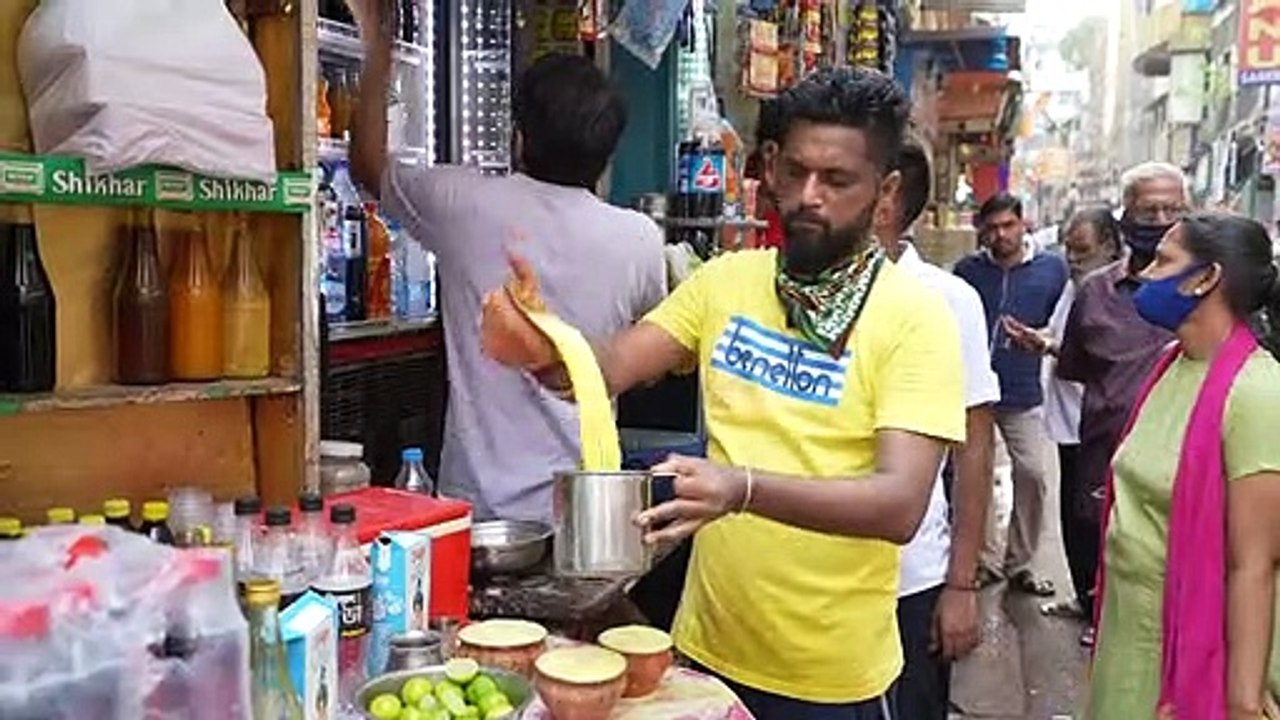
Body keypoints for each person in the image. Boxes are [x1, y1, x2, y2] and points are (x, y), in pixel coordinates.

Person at [483, 67, 965, 719]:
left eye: (837, 180)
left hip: (829, 680)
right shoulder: (727, 282)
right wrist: (542, 338)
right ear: (770, 165)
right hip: (706, 653)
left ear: (885, 192)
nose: (809, 196)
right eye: (795, 171)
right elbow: (603, 370)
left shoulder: (916, 316)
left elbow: (899, 504)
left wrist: (741, 489)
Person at [347, 7, 667, 523]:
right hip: (583, 513)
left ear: (519, 136)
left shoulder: (463, 204)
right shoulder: (640, 240)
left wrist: (379, 46)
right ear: (608, 152)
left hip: (478, 510)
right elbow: (650, 357)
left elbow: (366, 163)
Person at [1089, 212, 1280, 719]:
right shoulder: (1171, 366)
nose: (1145, 275)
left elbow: (1254, 564)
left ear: (1205, 278)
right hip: (1127, 635)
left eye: (1163, 261)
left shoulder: (1258, 394)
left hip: (1189, 652)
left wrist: (1242, 702)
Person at [877, 138, 1000, 719]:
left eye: (836, 179)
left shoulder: (949, 301)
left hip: (909, 580)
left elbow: (973, 449)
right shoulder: (797, 291)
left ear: (886, 199)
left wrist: (961, 585)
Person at [1056, 163, 1186, 608]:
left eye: (1173, 210)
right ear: (1125, 216)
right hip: (1106, 455)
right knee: (1107, 564)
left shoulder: (1208, 289)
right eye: (1149, 211)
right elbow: (1074, 367)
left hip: (1182, 461)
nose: (1162, 221)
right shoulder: (1094, 292)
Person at [1004, 206, 1122, 645]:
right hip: (1069, 421)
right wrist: (1038, 339)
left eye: (1082, 250)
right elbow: (1061, 336)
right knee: (1074, 515)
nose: (1072, 259)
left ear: (1109, 245)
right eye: (1069, 250)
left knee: (1096, 519)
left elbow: (1098, 354)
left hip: (1100, 423)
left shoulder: (1118, 292)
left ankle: (1102, 611)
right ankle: (1084, 597)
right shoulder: (1077, 287)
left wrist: (1049, 346)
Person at [954, 193, 1068, 595]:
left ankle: (1021, 563)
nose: (1000, 235)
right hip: (973, 391)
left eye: (1008, 226)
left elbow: (1064, 322)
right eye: (992, 228)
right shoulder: (968, 271)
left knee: (1033, 472)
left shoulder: (1052, 270)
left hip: (1022, 389)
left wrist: (1042, 340)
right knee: (975, 474)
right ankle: (984, 560)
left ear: (1023, 224)